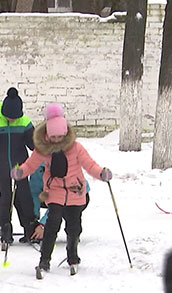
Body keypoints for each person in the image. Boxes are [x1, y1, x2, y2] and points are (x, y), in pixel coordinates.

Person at [11, 104, 110, 276]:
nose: (56, 139)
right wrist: (20, 172)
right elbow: (31, 165)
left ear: (65, 134)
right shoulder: (44, 149)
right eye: (53, 136)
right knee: (52, 225)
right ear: (48, 134)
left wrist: (102, 173)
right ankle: (44, 261)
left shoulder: (76, 148)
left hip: (75, 192)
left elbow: (90, 165)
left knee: (74, 228)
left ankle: (73, 258)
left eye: (60, 136)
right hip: (55, 191)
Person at [0, 87, 38, 249]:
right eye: (9, 117)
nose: (13, 120)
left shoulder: (25, 122)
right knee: (5, 199)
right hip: (1, 168)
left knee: (24, 199)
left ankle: (30, 229)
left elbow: (32, 143)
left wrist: (39, 147)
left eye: (15, 117)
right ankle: (6, 231)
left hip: (21, 168)